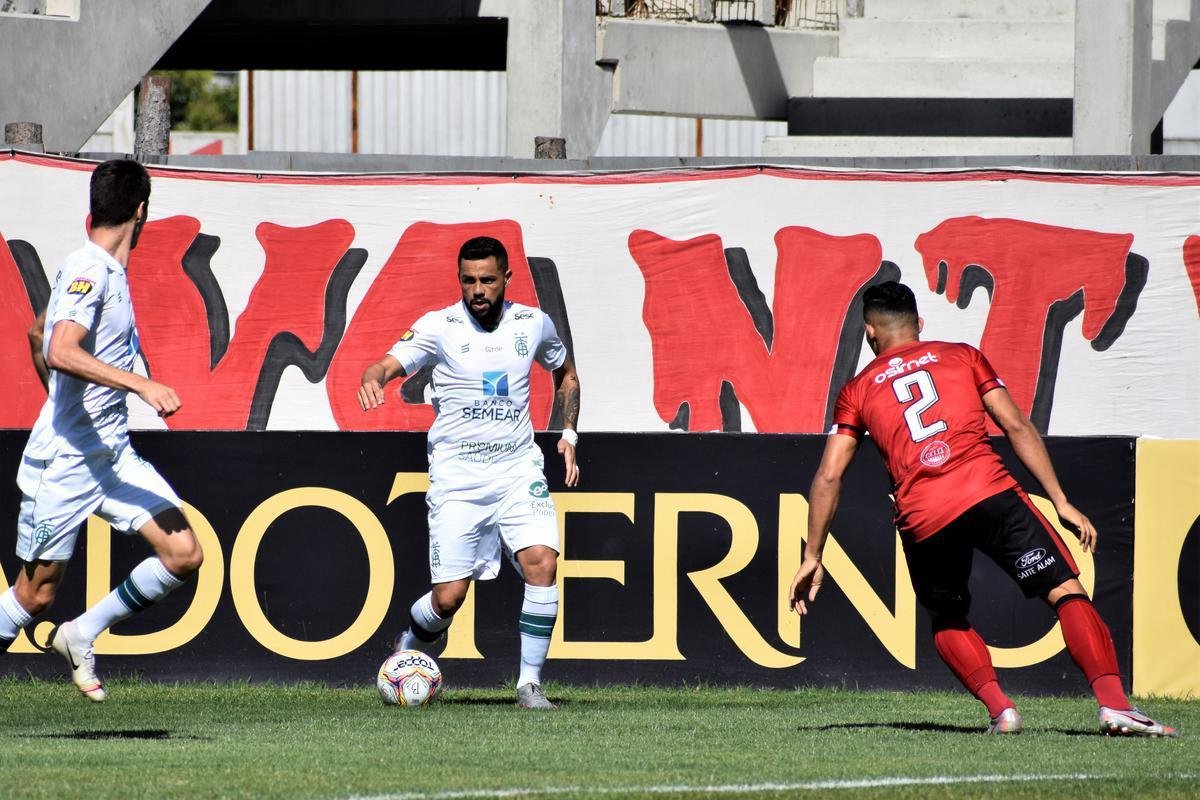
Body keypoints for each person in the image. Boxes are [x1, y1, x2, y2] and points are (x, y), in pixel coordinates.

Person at [787, 281, 1176, 737]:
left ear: (870, 332)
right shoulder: (962, 356)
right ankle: (1115, 706)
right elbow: (1016, 425)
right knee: (1064, 591)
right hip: (989, 494)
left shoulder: (856, 390)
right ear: (919, 323)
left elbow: (829, 476)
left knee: (946, 616)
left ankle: (1002, 712)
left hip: (924, 517)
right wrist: (1061, 500)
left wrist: (813, 554)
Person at [0, 159, 203, 702]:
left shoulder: (103, 269)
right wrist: (140, 384)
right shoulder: (89, 269)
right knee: (34, 596)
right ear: (142, 211)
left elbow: (37, 332)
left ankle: (81, 634)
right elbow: (59, 348)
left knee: (183, 553)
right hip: (67, 462)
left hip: (111, 456)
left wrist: (64, 402)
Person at [358, 235, 580, 710]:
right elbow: (384, 365)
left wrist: (569, 433)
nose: (477, 289)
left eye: (487, 280)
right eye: (468, 280)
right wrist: (373, 378)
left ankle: (529, 685)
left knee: (542, 562)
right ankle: (408, 647)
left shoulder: (533, 324)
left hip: (517, 469)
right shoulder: (439, 326)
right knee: (448, 599)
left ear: (507, 279)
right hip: (458, 477)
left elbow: (566, 374)